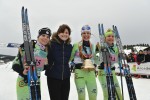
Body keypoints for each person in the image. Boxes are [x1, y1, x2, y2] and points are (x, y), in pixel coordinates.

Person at [12, 27, 51, 100]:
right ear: (38, 36)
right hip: (24, 81)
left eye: (47, 37)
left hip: (36, 81)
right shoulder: (29, 46)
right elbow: (15, 64)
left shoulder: (46, 50)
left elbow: (39, 68)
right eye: (43, 35)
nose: (45, 38)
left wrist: (46, 65)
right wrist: (22, 72)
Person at [70, 25, 97, 100]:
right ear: (81, 34)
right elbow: (70, 58)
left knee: (93, 96)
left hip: (90, 73)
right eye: (84, 33)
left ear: (90, 34)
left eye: (88, 33)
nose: (86, 35)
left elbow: (95, 58)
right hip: (79, 72)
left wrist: (95, 64)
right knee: (81, 97)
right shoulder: (76, 45)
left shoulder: (93, 46)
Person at [45, 24, 72, 100]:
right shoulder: (51, 44)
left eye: (66, 33)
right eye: (62, 32)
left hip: (66, 77)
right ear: (58, 33)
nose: (64, 34)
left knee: (65, 98)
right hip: (53, 76)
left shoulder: (69, 46)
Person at [97, 29, 122, 100]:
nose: (111, 37)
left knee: (118, 93)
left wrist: (121, 59)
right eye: (108, 36)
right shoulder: (101, 46)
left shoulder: (116, 47)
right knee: (107, 94)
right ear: (104, 38)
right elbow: (95, 58)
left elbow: (117, 59)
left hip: (112, 71)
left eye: (112, 36)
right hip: (103, 72)